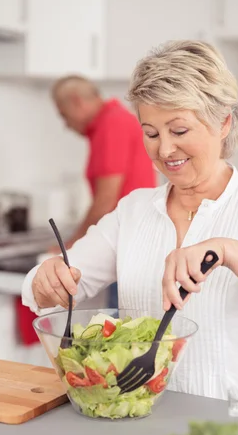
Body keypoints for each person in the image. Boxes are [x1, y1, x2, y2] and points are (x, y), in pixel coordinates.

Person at [22, 41, 238, 411]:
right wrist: (46, 279)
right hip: (146, 422)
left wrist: (229, 251)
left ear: (223, 122)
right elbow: (56, 286)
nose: (164, 150)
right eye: (151, 133)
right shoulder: (132, 212)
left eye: (179, 131)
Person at [49, 76, 157, 306]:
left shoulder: (111, 124)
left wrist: (70, 247)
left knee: (123, 329)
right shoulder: (115, 120)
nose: (65, 124)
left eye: (63, 114)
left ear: (77, 102)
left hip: (128, 243)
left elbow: (106, 199)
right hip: (132, 241)